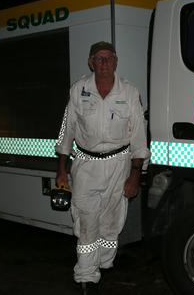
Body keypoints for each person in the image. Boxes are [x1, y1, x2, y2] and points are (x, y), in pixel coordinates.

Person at [55, 41, 150, 294]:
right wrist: (61, 168)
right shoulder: (78, 90)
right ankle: (86, 277)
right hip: (86, 166)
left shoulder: (129, 92)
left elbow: (139, 137)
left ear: (116, 62)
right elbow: (67, 130)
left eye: (109, 58)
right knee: (86, 221)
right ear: (91, 63)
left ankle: (104, 263)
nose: (105, 63)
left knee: (111, 223)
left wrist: (135, 175)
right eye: (99, 58)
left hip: (119, 165)